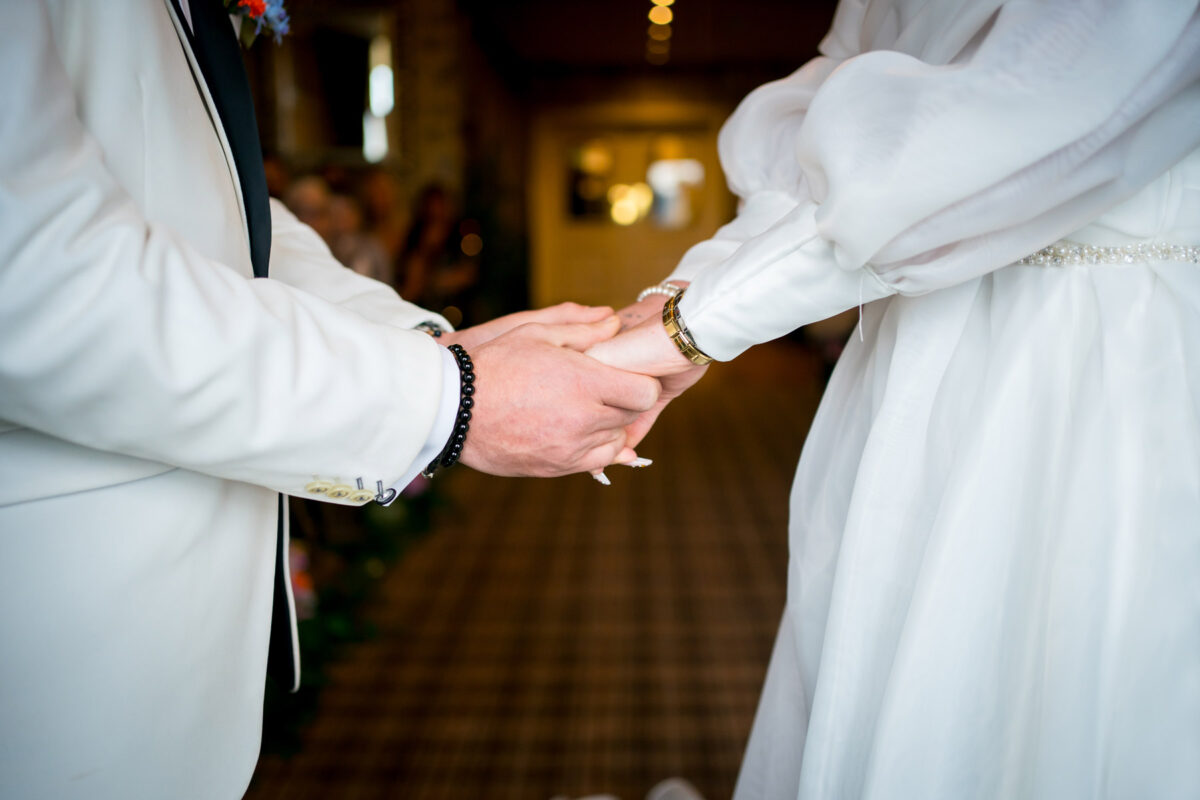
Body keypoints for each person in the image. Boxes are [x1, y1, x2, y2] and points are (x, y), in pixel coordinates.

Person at [0, 2, 658, 798]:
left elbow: (238, 224)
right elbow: (34, 275)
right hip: (60, 647)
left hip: (177, 647)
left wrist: (437, 352)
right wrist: (448, 401)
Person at [589, 1, 1200, 796]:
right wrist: (686, 292)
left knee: (1059, 658)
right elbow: (818, 124)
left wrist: (694, 323)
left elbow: (994, 134)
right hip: (919, 354)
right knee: (899, 639)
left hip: (1089, 353)